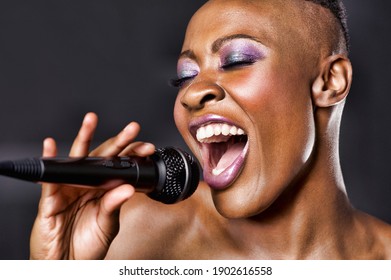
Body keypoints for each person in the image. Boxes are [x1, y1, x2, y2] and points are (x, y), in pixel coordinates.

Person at [30, 0, 391, 260]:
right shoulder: (133, 231)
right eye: (185, 76)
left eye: (236, 61)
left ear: (330, 81)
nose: (193, 91)